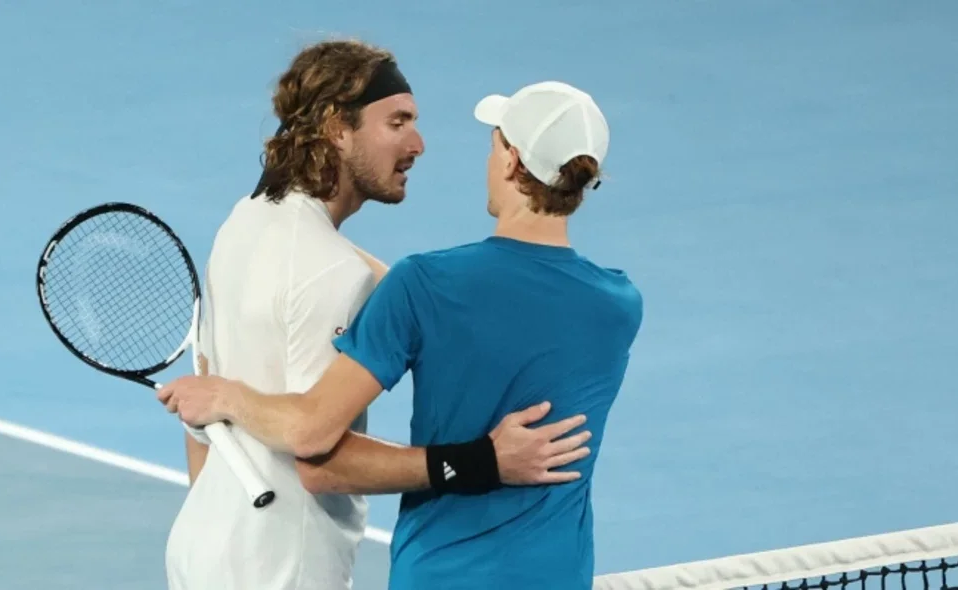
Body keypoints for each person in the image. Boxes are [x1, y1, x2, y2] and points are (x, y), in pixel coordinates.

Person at [161, 79, 642, 589]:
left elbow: (319, 456)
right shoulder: (619, 305)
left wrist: (226, 396)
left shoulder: (426, 288)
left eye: (494, 145)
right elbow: (494, 307)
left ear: (511, 161)